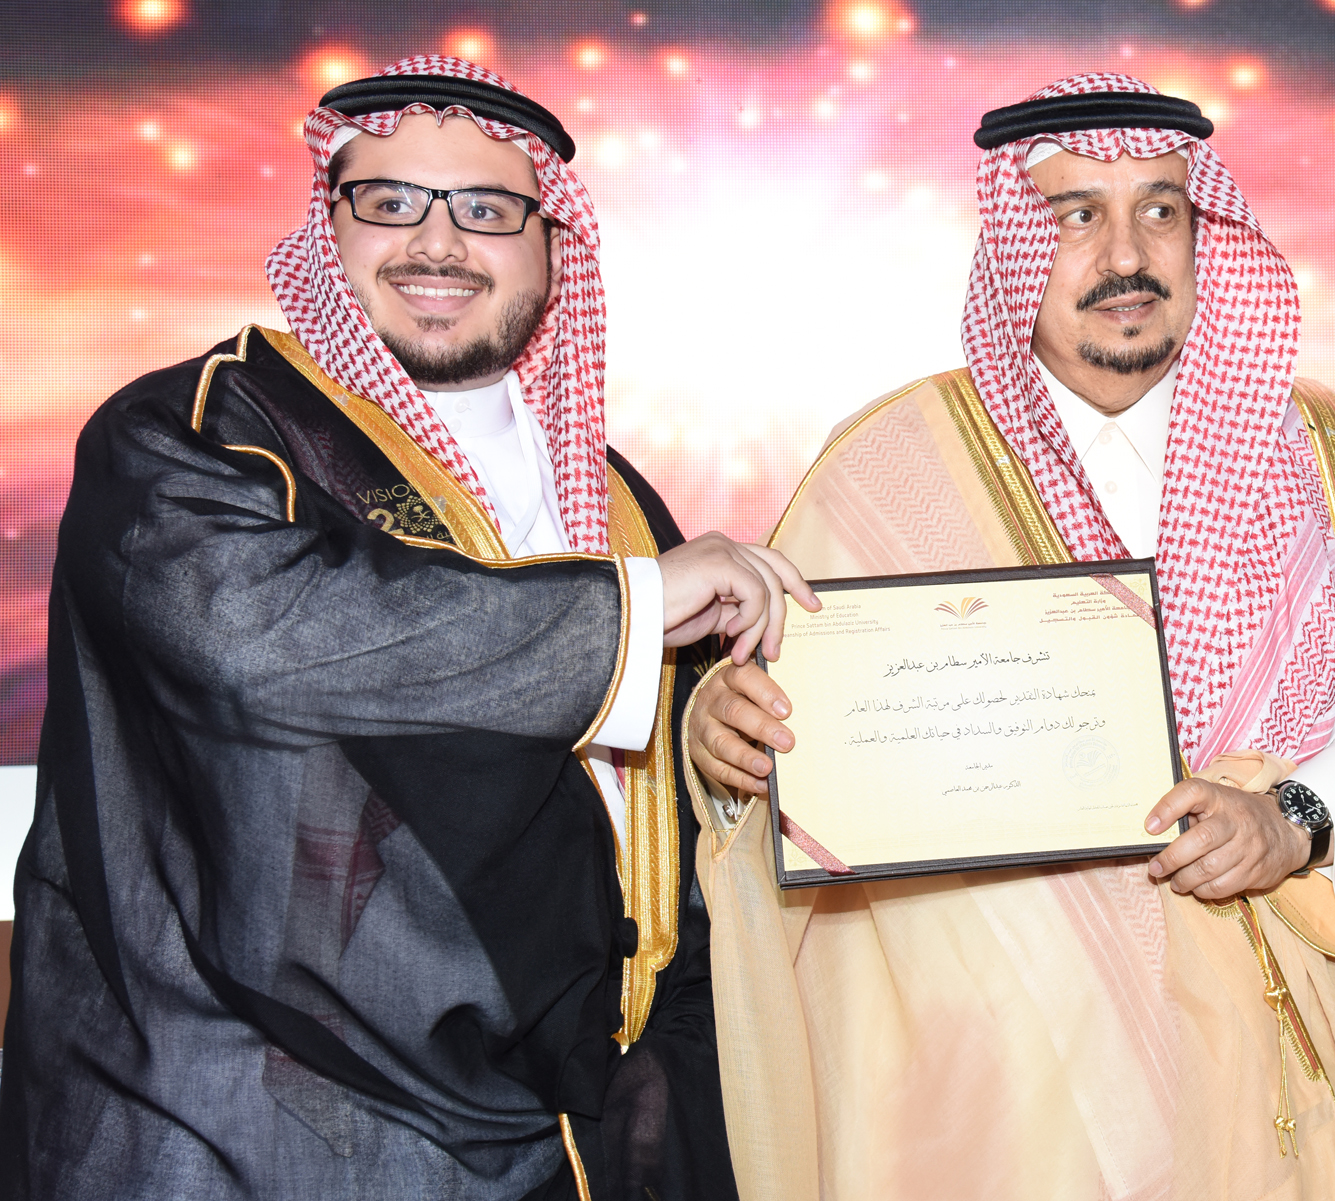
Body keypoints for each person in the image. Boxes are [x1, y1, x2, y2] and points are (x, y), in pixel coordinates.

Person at [0, 55, 813, 1200]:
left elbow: (623, 803)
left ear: (551, 245)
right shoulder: (196, 434)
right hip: (262, 1135)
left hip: (561, 1131)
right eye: (388, 201)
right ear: (326, 226)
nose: (437, 243)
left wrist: (703, 734)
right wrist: (630, 614)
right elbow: (262, 644)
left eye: (486, 209)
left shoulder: (614, 499)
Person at [685, 73, 1335, 1200]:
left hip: (1264, 1085)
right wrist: (723, 739)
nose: (1127, 254)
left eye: (1161, 209)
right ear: (1013, 244)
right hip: (994, 1108)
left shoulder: (1317, 457)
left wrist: (1288, 819)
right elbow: (781, 749)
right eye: (1076, 215)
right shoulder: (886, 470)